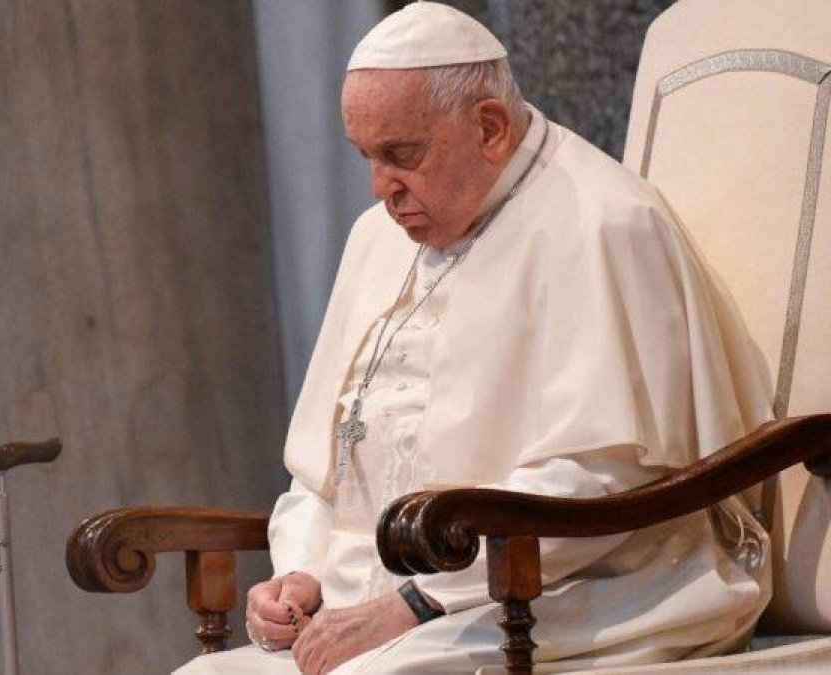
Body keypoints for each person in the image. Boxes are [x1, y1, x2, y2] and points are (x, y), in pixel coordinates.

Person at [177, 3, 773, 673]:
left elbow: (604, 477)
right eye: (367, 158)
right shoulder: (376, 239)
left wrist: (419, 600)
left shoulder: (602, 224)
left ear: (489, 127)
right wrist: (302, 572)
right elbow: (324, 468)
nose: (381, 189)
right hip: (387, 601)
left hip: (586, 587)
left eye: (402, 155)